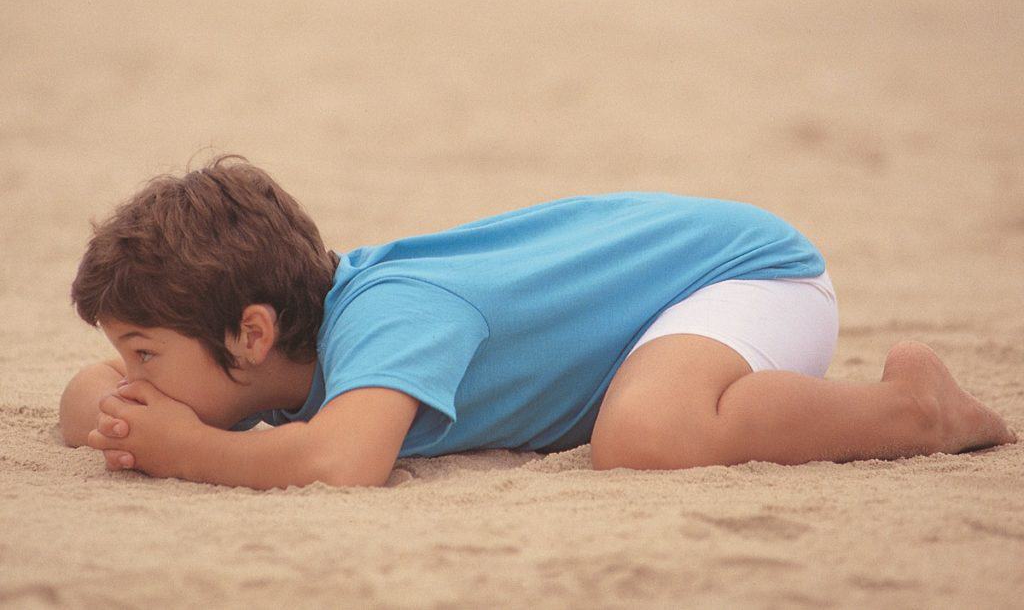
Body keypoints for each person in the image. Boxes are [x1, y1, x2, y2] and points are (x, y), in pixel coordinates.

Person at [60, 154, 1016, 489]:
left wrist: (184, 447)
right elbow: (84, 398)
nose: (131, 375)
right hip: (662, 303)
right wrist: (127, 407)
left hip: (745, 273)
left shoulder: (393, 315)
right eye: (126, 355)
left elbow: (340, 463)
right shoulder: (269, 367)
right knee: (639, 412)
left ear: (253, 333)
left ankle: (916, 408)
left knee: (644, 434)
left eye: (146, 353)